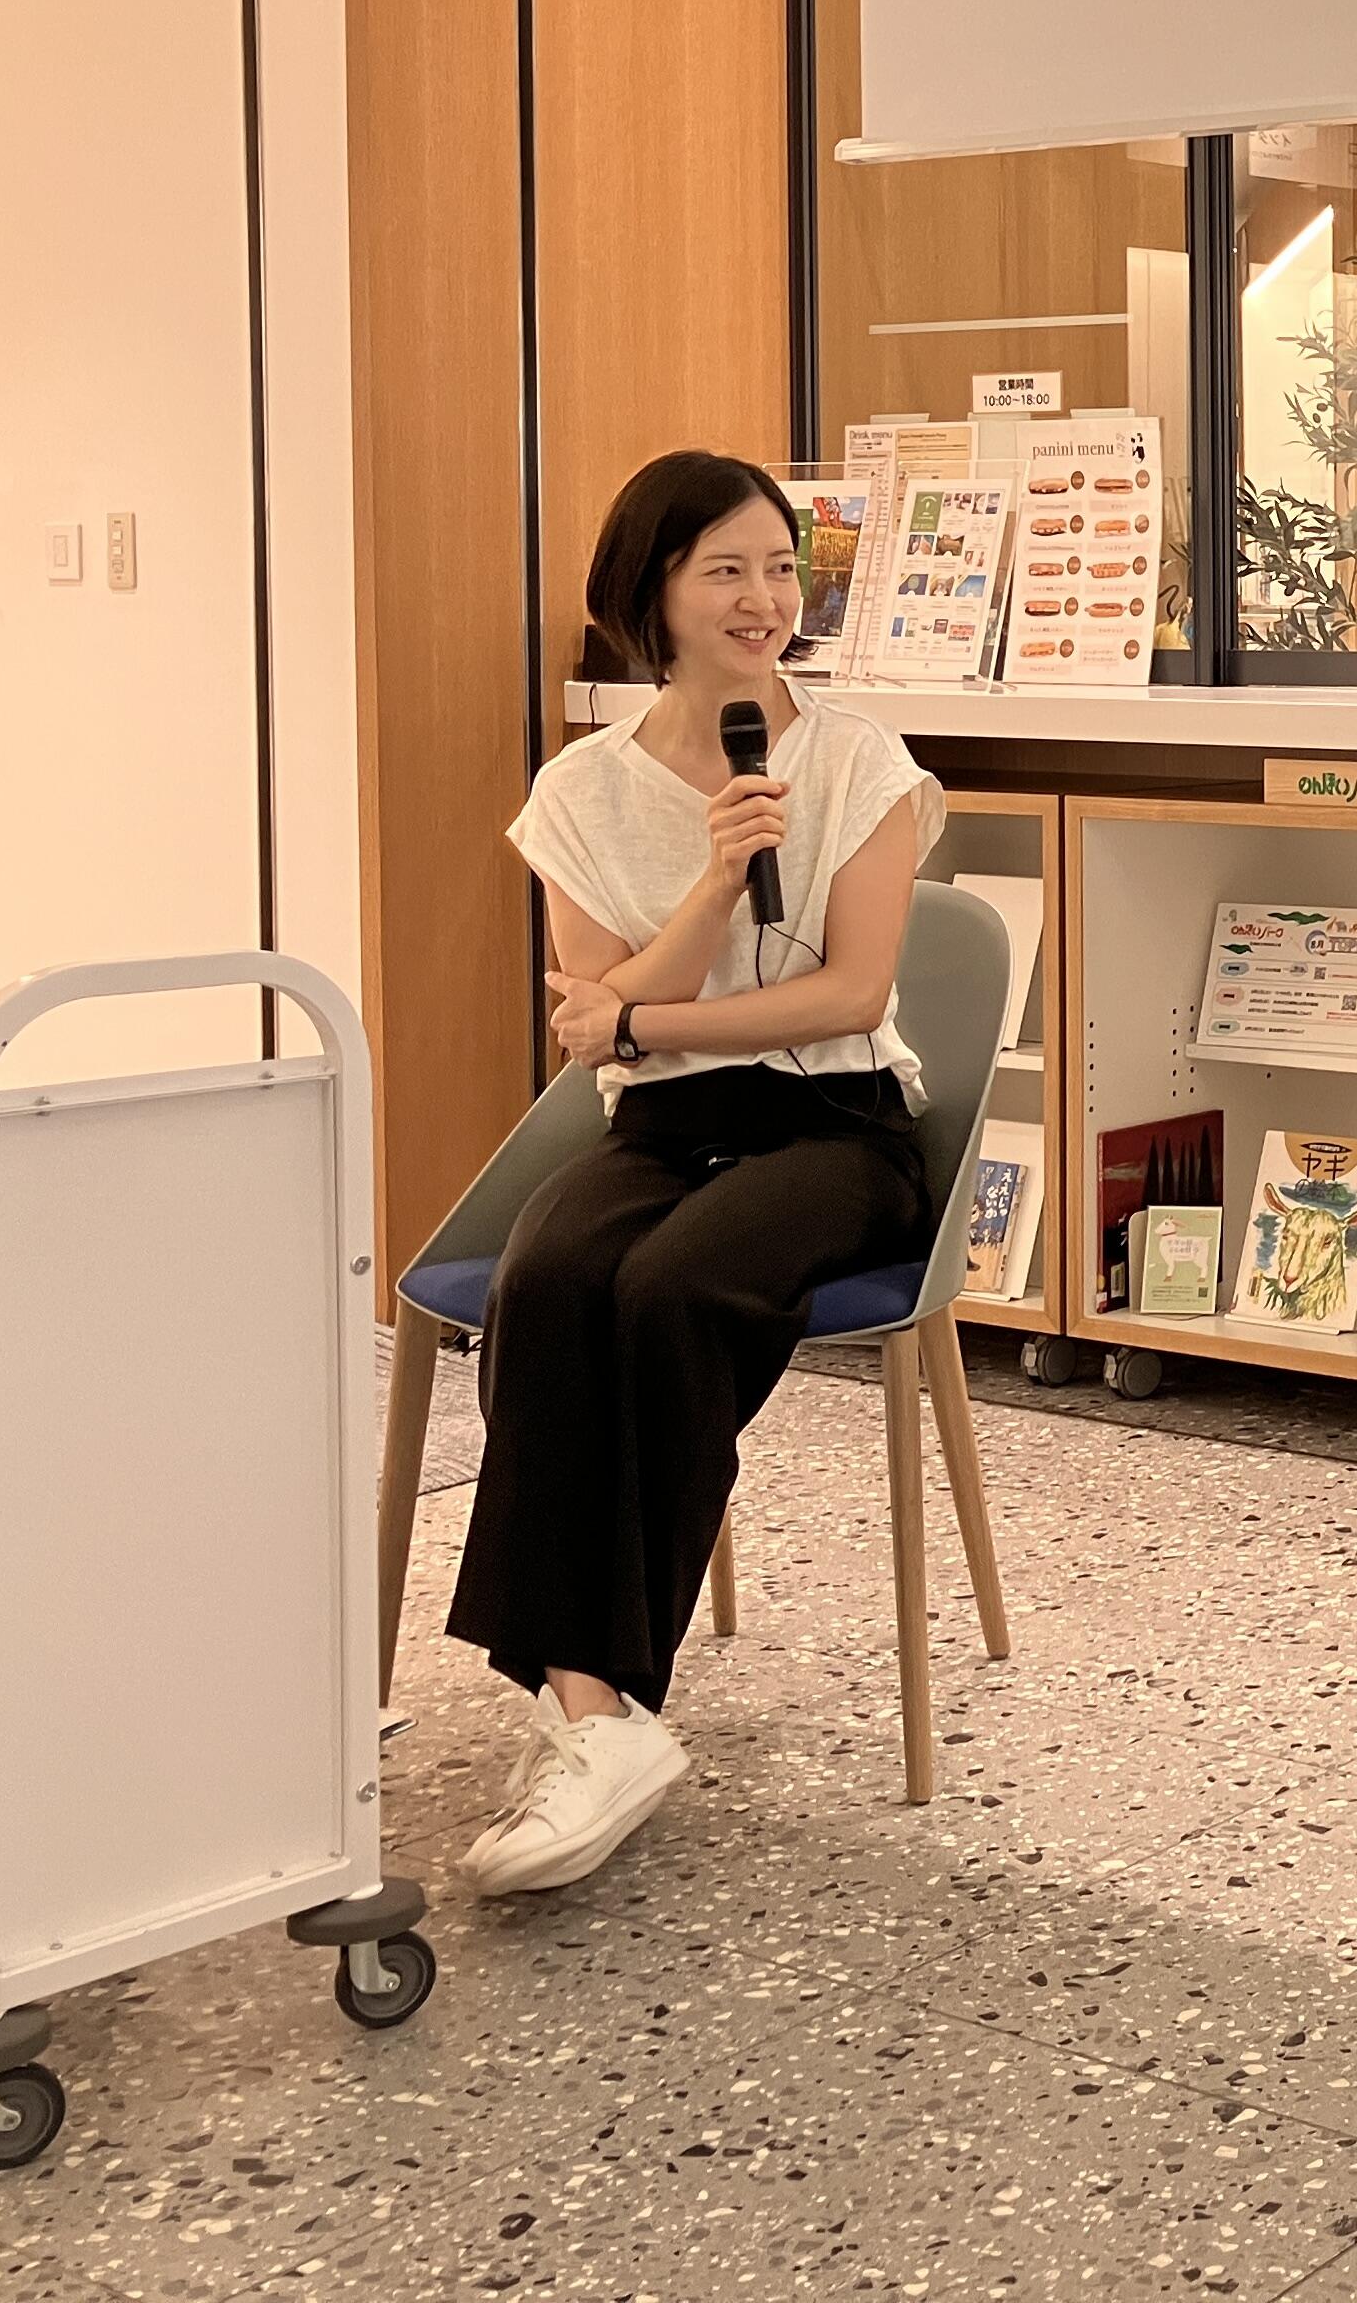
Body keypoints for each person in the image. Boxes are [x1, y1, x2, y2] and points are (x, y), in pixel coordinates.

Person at [442, 451, 947, 1895]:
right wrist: (718, 881)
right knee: (550, 1278)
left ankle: (604, 1701)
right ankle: (594, 1716)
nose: (762, 599)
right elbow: (596, 995)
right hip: (662, 1126)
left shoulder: (858, 764)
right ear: (651, 590)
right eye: (725, 569)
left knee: (669, 1288)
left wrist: (638, 1023)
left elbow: (846, 994)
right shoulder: (579, 791)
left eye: (781, 568)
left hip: (839, 1126)